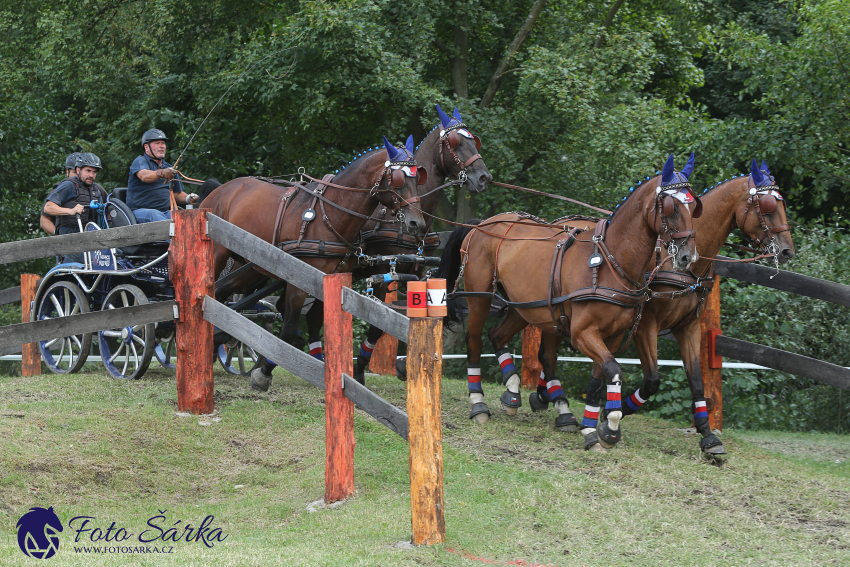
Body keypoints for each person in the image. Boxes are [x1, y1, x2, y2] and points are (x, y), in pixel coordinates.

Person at [43, 153, 106, 262]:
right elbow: (48, 208)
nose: (91, 175)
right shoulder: (68, 185)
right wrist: (71, 211)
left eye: (94, 172)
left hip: (92, 242)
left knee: (118, 257)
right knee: (92, 260)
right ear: (78, 170)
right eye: (88, 171)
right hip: (71, 244)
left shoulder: (96, 189)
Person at [127, 129, 197, 222]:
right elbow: (144, 176)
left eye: (163, 143)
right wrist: (161, 173)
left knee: (183, 218)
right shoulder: (140, 161)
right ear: (146, 147)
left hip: (164, 212)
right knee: (156, 215)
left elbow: (176, 194)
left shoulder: (169, 168)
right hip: (138, 212)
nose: (161, 146)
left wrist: (189, 198)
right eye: (157, 143)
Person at [40, 152, 82, 235]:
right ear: (67, 172)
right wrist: (58, 235)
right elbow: (44, 219)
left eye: (80, 171)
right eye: (75, 172)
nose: (78, 175)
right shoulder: (60, 189)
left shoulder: (95, 188)